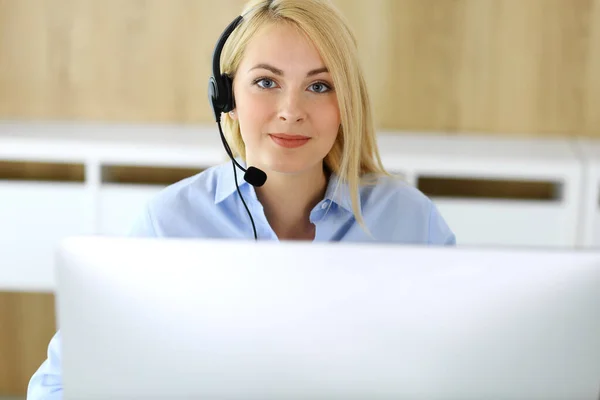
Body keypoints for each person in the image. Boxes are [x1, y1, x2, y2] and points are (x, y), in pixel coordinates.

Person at [27, 0, 455, 398]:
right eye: (266, 82)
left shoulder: (410, 220)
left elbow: (465, 369)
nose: (291, 110)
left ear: (347, 103)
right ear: (226, 98)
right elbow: (58, 385)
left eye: (320, 86)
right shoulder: (170, 223)